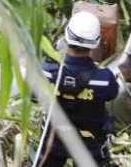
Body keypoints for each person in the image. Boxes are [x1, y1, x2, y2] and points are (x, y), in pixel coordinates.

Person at [38, 11, 119, 167]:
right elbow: (112, 93)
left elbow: (32, 96)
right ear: (95, 43)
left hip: (52, 143)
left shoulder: (47, 72)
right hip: (90, 147)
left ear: (66, 37)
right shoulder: (105, 79)